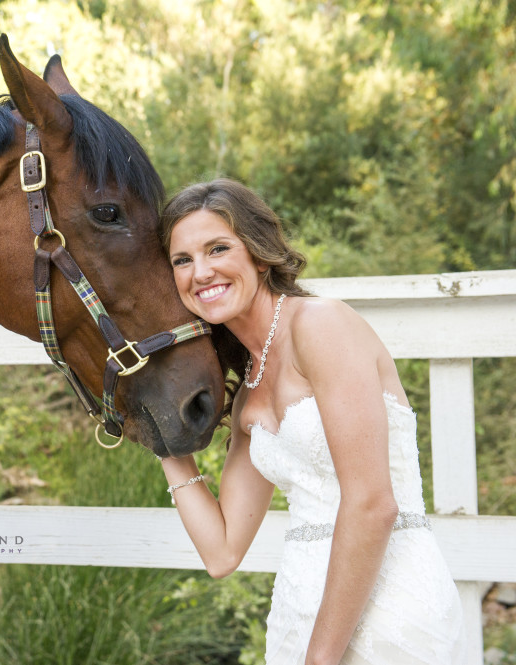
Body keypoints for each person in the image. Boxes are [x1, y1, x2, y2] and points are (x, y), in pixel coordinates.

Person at [159, 178, 464, 665]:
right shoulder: (248, 393)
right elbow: (222, 553)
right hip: (297, 616)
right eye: (182, 260)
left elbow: (372, 504)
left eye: (218, 248)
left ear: (259, 255)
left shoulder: (322, 325)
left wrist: (321, 659)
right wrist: (161, 443)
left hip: (393, 608)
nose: (201, 272)